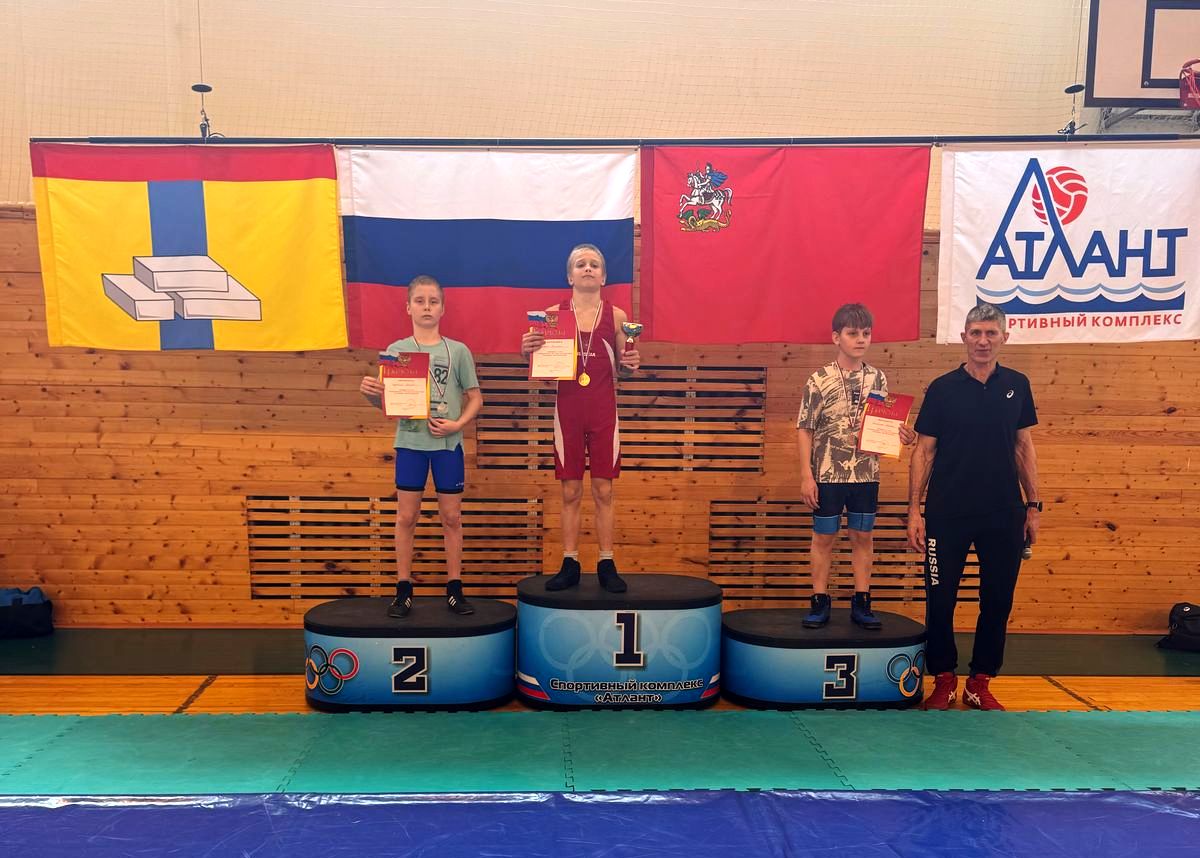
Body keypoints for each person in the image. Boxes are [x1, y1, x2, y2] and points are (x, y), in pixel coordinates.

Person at [906, 302, 1040, 711]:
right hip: (947, 513)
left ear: (1004, 338)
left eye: (991, 333)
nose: (983, 341)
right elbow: (924, 452)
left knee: (997, 600)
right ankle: (944, 679)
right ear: (964, 337)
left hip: (1003, 512)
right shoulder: (942, 388)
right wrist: (914, 510)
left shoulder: (1017, 384)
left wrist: (1033, 506)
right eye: (976, 333)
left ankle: (980, 681)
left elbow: (1023, 447)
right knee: (940, 599)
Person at [360, 275, 483, 619]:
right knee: (406, 516)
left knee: (452, 517)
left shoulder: (458, 351)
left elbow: (475, 398)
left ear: (443, 308)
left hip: (448, 445)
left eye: (433, 301)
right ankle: (403, 589)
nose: (427, 307)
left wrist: (458, 424)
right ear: (408, 307)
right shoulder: (396, 351)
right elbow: (390, 405)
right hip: (411, 443)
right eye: (420, 301)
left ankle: (455, 588)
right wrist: (372, 396)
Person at [520, 244, 640, 592]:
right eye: (580, 264)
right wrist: (527, 351)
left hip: (603, 411)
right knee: (570, 490)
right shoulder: (551, 316)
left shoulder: (617, 315)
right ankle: (570, 561)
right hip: (568, 411)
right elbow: (542, 368)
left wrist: (631, 365)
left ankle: (606, 562)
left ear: (603, 276)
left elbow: (623, 368)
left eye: (594, 264)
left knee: (604, 489)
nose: (588, 268)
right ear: (569, 276)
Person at [796, 303, 915, 630]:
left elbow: (882, 425)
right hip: (827, 474)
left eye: (866, 333)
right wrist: (806, 476)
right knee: (824, 537)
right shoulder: (818, 379)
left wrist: (901, 435)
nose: (861, 339)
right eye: (853, 333)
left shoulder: (877, 377)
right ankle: (819, 601)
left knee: (863, 535)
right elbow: (805, 428)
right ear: (837, 337)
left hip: (865, 474)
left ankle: (862, 602)